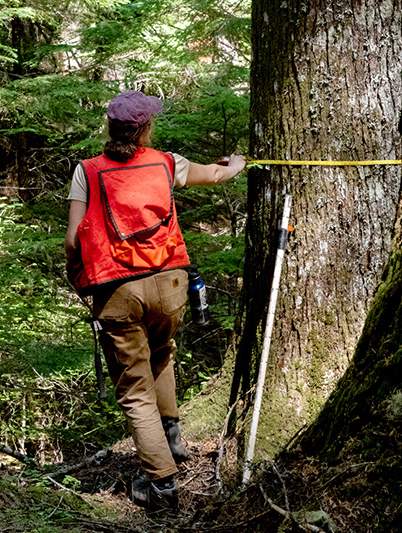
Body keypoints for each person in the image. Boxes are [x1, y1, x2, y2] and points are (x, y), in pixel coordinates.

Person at [64, 90, 246, 510]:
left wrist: (80, 274)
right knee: (162, 351)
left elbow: (74, 239)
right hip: (171, 284)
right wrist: (234, 164)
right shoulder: (166, 162)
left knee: (134, 387)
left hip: (117, 290)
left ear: (111, 127)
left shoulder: (87, 172)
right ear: (145, 128)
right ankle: (172, 439)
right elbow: (216, 175)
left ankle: (162, 484)